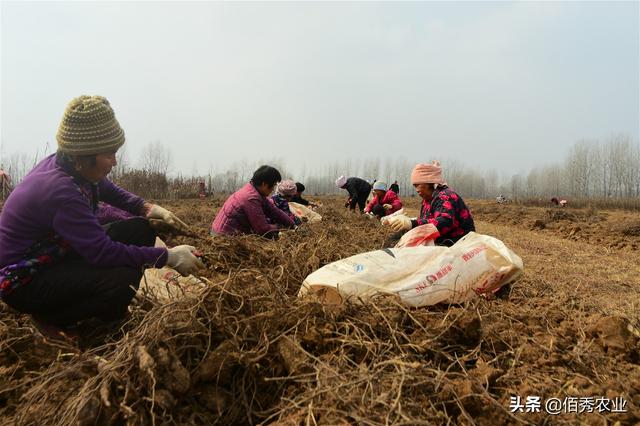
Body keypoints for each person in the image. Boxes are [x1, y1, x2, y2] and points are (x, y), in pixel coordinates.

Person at [0, 95, 204, 343]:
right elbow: (103, 253)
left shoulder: (70, 163)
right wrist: (168, 256)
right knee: (123, 281)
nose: (115, 161)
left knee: (139, 230)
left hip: (52, 253)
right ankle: (51, 317)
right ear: (85, 156)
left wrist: (146, 207)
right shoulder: (61, 191)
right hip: (26, 279)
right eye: (110, 154)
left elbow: (107, 188)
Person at [386, 161, 475, 246]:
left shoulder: (445, 196)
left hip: (458, 242)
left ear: (429, 183)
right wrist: (407, 222)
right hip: (442, 240)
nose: (416, 190)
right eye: (414, 186)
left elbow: (445, 222)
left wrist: (412, 223)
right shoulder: (427, 200)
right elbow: (426, 220)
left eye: (418, 185)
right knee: (400, 236)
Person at [210, 165, 295, 237]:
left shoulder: (254, 190)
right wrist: (279, 227)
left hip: (222, 233)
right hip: (223, 237)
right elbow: (262, 229)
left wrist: (292, 224)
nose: (272, 190)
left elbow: (274, 210)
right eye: (272, 186)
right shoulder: (251, 198)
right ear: (264, 184)